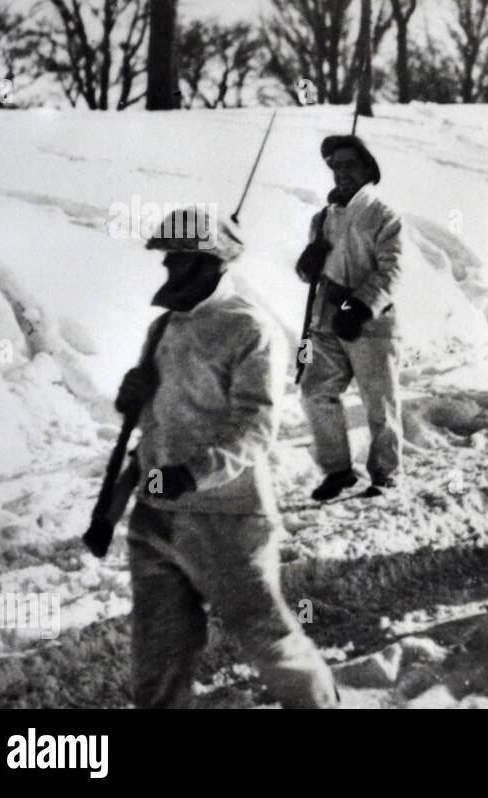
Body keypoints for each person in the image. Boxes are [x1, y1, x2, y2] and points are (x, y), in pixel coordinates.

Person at [116, 207, 337, 708]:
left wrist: (193, 474)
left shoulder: (250, 329)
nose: (170, 269)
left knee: (269, 637)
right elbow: (160, 412)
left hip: (227, 518)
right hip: (156, 516)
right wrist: (135, 394)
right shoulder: (165, 327)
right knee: (158, 655)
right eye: (168, 258)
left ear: (212, 263)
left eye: (181, 258)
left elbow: (255, 424)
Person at [295, 134, 404, 500]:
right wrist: (308, 263)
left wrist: (359, 305)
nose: (341, 173)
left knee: (379, 403)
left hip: (370, 324)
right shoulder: (322, 217)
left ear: (367, 169)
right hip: (327, 321)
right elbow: (312, 274)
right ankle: (339, 470)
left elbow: (392, 271)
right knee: (314, 392)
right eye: (336, 166)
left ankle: (387, 476)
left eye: (349, 165)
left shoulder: (382, 215)